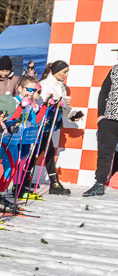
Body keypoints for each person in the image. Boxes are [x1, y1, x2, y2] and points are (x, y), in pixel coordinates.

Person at [39, 60, 85, 195]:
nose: (66, 75)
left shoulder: (61, 86)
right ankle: (52, 183)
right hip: (42, 123)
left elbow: (62, 106)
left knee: (46, 151)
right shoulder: (44, 85)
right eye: (64, 72)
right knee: (43, 152)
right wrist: (62, 103)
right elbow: (42, 104)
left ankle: (52, 183)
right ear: (55, 71)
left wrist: (72, 114)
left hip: (51, 122)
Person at [89, 60, 118, 196]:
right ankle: (99, 184)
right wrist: (101, 115)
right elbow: (103, 92)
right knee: (104, 154)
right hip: (109, 119)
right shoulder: (114, 70)